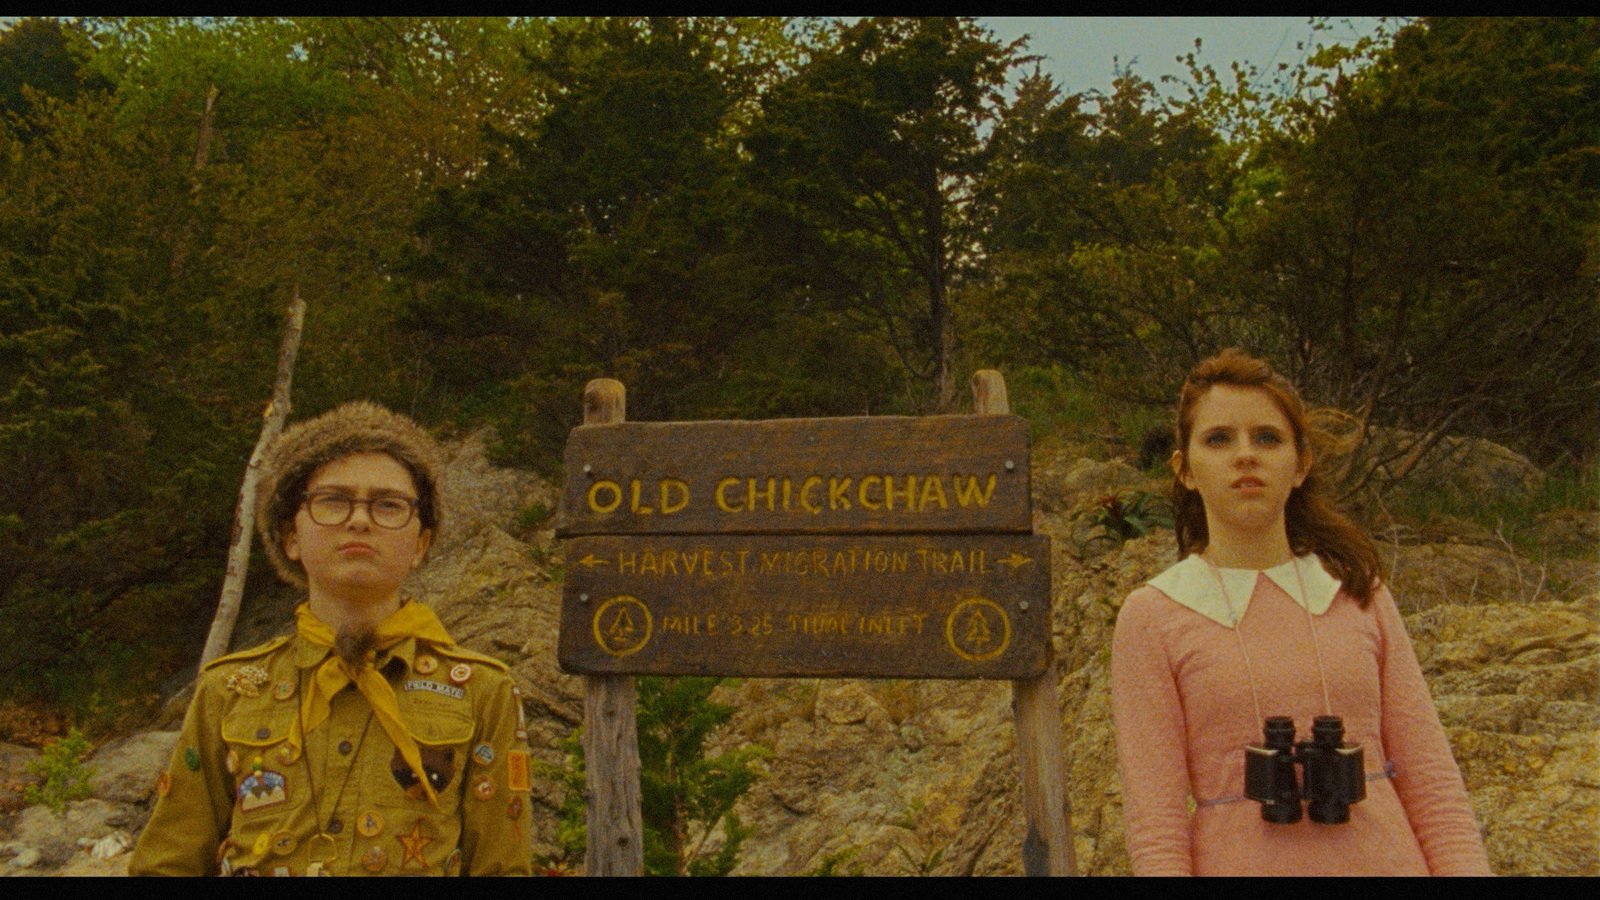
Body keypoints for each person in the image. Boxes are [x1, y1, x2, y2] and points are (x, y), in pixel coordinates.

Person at [1110, 349, 1491, 876]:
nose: (1245, 455)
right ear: (1186, 470)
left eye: (1267, 437)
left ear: (1301, 464)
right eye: (1218, 439)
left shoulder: (1360, 593)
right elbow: (1156, 825)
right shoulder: (1152, 615)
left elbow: (1433, 782)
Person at [130, 401, 533, 876]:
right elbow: (166, 865)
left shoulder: (482, 692)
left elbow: (502, 869)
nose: (359, 520)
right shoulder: (230, 688)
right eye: (333, 501)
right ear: (290, 536)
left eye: (387, 505)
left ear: (420, 544)